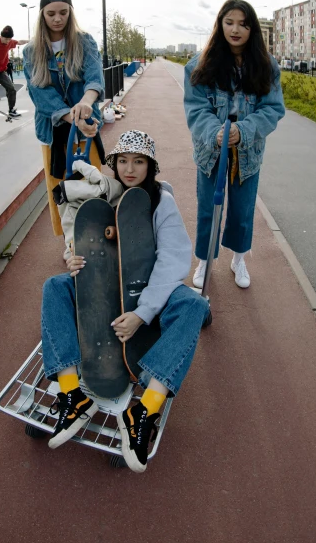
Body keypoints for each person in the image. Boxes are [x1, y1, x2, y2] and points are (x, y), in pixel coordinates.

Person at [40, 130, 211, 473]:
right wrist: (74, 260)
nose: (130, 168)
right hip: (107, 290)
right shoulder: (105, 198)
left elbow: (174, 259)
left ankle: (146, 407)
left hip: (152, 292)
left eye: (138, 162)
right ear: (114, 164)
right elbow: (87, 249)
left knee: (194, 305)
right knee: (55, 287)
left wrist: (142, 312)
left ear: (150, 166)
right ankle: (74, 393)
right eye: (122, 161)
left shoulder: (161, 200)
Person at [183, 0, 285, 291]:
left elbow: (273, 109)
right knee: (207, 208)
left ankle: (239, 258)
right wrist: (215, 132)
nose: (236, 29)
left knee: (242, 209)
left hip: (247, 153)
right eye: (229, 22)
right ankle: (204, 260)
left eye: (243, 23)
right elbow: (195, 108)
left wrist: (244, 129)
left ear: (252, 28)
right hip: (210, 151)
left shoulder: (266, 66)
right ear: (220, 25)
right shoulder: (199, 65)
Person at [22, 0, 105, 245]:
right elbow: (40, 94)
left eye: (63, 12)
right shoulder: (31, 51)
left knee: (92, 182)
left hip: (85, 125)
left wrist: (86, 103)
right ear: (42, 15)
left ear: (70, 12)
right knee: (59, 186)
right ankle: (71, 242)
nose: (57, 19)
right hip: (54, 128)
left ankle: (96, 236)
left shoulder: (84, 41)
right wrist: (72, 116)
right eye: (51, 14)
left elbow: (95, 77)